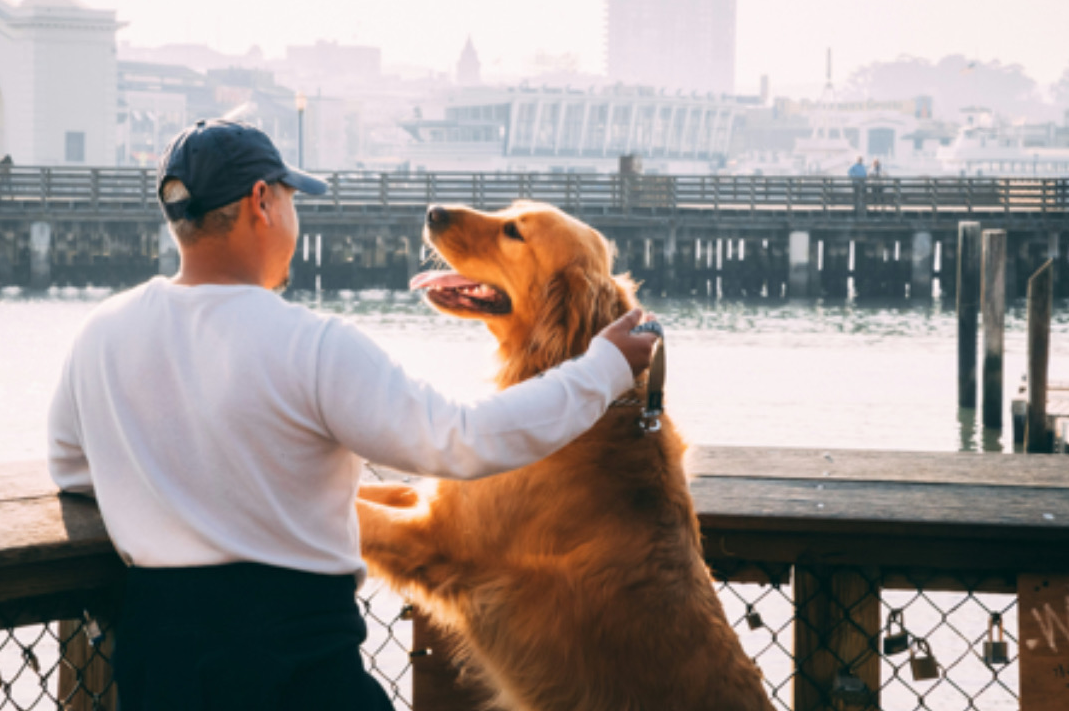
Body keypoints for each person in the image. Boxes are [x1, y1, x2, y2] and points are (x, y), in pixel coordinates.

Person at [47, 119, 660, 711]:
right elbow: (460, 439)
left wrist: (177, 488)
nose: (295, 214)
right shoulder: (310, 344)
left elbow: (71, 470)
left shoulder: (97, 334)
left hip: (159, 657)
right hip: (293, 654)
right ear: (262, 202)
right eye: (292, 199)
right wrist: (602, 368)